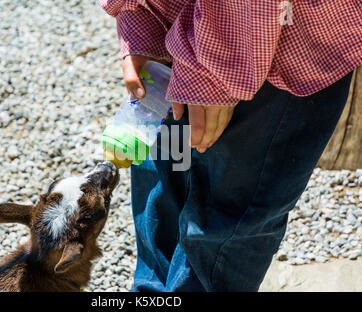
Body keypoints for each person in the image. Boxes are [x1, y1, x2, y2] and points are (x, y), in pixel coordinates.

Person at [99, 0, 362, 291]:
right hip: (225, 42)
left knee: (205, 226)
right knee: (185, 214)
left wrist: (211, 70)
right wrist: (141, 24)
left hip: (263, 41)